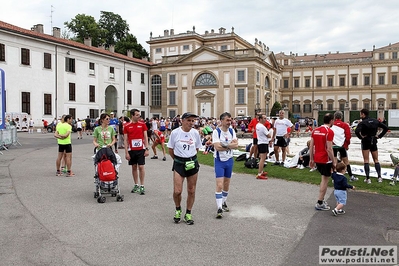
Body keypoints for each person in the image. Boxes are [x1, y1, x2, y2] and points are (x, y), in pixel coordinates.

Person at [167, 112, 202, 225]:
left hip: (192, 162)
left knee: (191, 190)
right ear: (182, 121)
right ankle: (178, 209)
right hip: (179, 163)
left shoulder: (195, 133)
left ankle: (188, 213)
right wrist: (178, 159)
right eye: (189, 120)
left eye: (193, 121)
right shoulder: (175, 133)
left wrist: (189, 157)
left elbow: (196, 148)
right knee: (177, 191)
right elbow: (170, 149)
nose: (191, 123)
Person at [212, 112, 238, 218]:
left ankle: (223, 202)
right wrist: (229, 145)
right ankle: (219, 208)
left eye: (230, 120)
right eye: (227, 120)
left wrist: (224, 145)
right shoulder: (216, 132)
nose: (229, 122)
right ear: (221, 121)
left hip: (229, 160)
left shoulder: (232, 131)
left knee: (227, 184)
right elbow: (217, 147)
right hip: (219, 161)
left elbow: (236, 145)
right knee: (219, 184)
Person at [309, 113, 336, 211]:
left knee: (323, 179)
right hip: (325, 159)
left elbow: (311, 146)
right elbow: (329, 149)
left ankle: (321, 200)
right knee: (324, 180)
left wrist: (311, 159)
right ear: (331, 121)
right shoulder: (329, 131)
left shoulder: (315, 130)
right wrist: (334, 161)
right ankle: (320, 202)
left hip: (317, 158)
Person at [355, 108, 389, 184]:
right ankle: (379, 177)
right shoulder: (375, 121)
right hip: (373, 140)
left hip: (366, 140)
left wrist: (361, 137)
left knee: (366, 160)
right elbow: (386, 128)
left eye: (361, 114)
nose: (360, 115)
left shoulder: (363, 122)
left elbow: (357, 131)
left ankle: (368, 178)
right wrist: (379, 136)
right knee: (376, 160)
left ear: (363, 114)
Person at [124, 109, 149, 195]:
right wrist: (126, 152)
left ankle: (142, 185)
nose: (139, 116)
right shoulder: (127, 126)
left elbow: (145, 137)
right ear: (132, 116)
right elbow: (125, 139)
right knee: (134, 167)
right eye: (137, 115)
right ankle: (136, 184)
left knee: (141, 167)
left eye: (139, 115)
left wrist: (147, 148)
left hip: (141, 149)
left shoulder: (142, 125)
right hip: (132, 150)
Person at [331, 111, 357, 182]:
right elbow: (348, 136)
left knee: (334, 161)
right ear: (341, 117)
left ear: (334, 117)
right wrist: (346, 145)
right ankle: (351, 176)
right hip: (342, 145)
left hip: (333, 145)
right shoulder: (345, 125)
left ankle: (334, 177)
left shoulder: (332, 125)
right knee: (346, 161)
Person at [255, 114, 272, 180]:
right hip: (263, 142)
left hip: (260, 142)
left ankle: (261, 171)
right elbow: (268, 135)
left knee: (262, 158)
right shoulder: (262, 127)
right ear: (261, 119)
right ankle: (259, 173)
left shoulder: (257, 125)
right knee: (262, 158)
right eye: (264, 118)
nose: (266, 120)